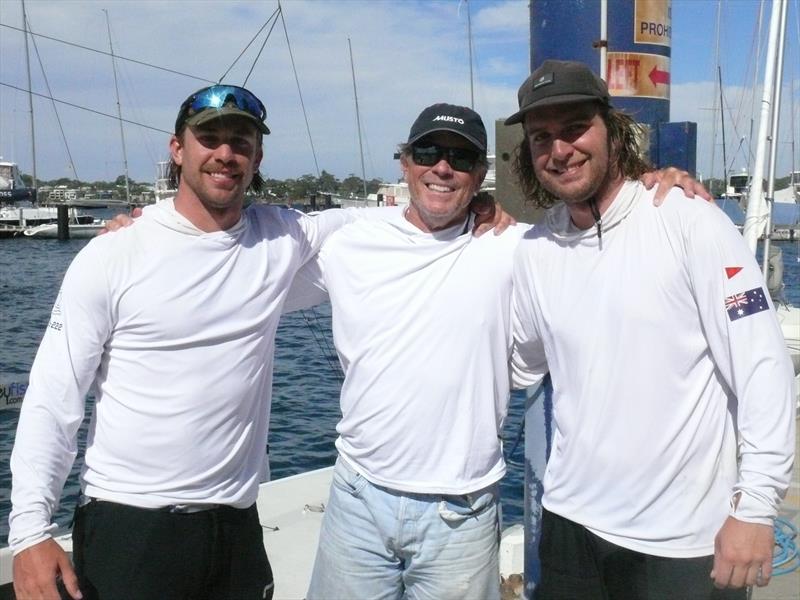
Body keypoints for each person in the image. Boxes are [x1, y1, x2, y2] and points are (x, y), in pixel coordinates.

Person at [282, 103, 712, 600]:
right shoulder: (350, 242)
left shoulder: (516, 247)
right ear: (404, 163)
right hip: (357, 497)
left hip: (461, 514)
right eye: (428, 152)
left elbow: (607, 229)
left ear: (481, 176)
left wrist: (655, 182)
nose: (443, 167)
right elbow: (249, 275)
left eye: (461, 158)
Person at [7, 84, 367, 600]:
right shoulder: (114, 255)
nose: (226, 153)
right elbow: (52, 399)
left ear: (258, 155)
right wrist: (29, 533)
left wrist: (479, 206)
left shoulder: (280, 239)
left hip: (237, 526)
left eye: (240, 141)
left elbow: (378, 223)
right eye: (209, 138)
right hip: (131, 527)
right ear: (177, 150)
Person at [506, 59, 796, 599]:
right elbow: (521, 363)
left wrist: (755, 508)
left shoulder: (690, 219)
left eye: (574, 128)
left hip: (682, 541)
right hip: (570, 524)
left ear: (612, 130)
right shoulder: (533, 250)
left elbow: (762, 366)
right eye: (541, 137)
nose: (560, 149)